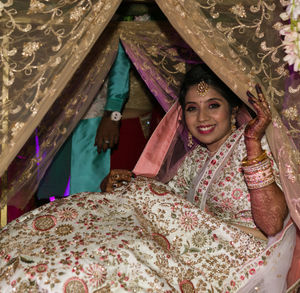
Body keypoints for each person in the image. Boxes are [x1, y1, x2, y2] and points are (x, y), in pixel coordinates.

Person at [0, 65, 297, 292]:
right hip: (188, 249)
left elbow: (271, 223)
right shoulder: (193, 159)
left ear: (233, 109)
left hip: (236, 258)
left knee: (120, 257)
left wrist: (254, 144)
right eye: (192, 109)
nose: (202, 118)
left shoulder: (255, 144)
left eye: (213, 105)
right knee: (98, 230)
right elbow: (164, 209)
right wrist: (122, 188)